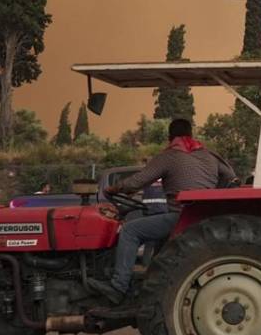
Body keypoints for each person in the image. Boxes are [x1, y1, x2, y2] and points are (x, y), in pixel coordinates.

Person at [88, 119, 235, 304]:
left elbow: (137, 181)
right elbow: (229, 175)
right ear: (191, 134)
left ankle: (118, 286)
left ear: (169, 137)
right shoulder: (209, 155)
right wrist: (213, 192)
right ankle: (146, 287)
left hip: (181, 217)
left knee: (130, 230)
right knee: (158, 243)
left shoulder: (170, 156)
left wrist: (114, 189)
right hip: (201, 218)